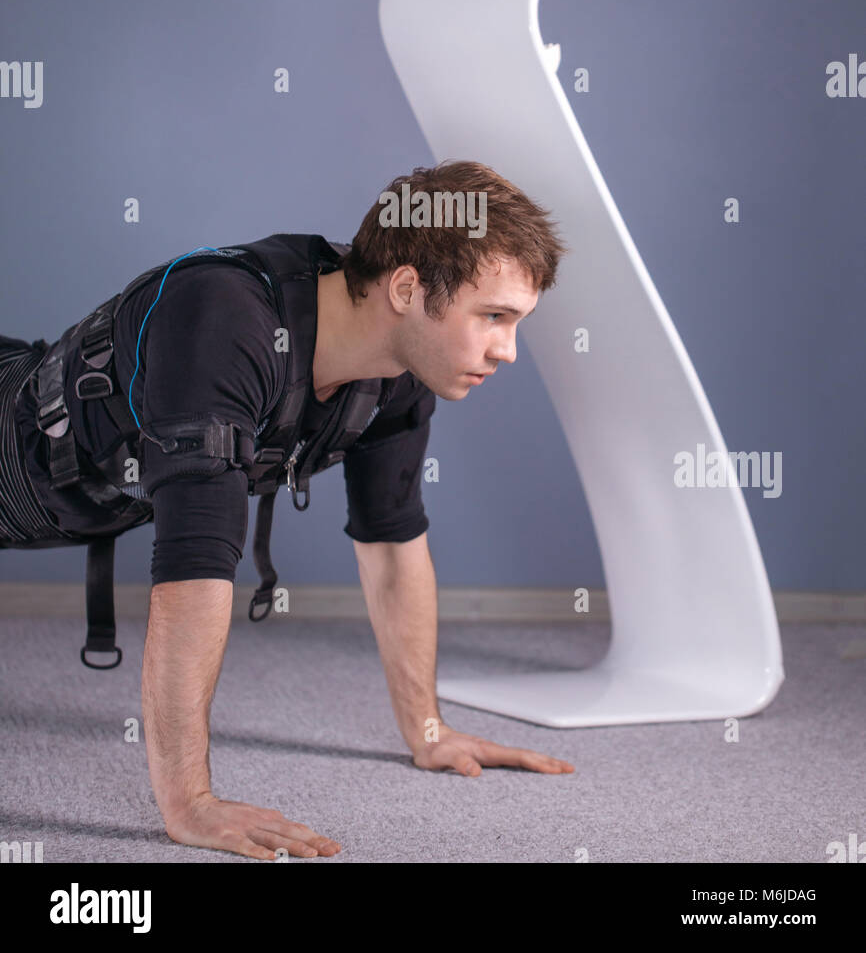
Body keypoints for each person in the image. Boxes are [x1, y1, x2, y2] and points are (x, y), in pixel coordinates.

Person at [1, 159, 575, 861]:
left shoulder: (398, 376)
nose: (508, 350)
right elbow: (193, 571)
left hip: (68, 502)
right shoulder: (225, 321)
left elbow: (393, 546)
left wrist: (429, 731)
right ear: (406, 287)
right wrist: (189, 803)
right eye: (494, 317)